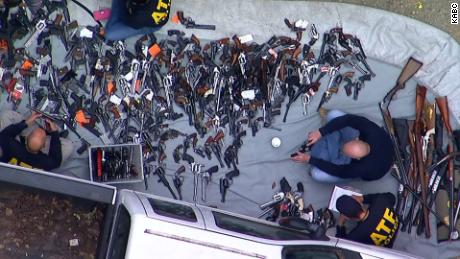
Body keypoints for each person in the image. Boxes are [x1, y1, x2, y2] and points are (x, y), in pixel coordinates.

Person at [291, 110, 394, 182]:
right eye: (345, 146)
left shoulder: (362, 168)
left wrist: (309, 159)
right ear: (357, 139)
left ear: (357, 158)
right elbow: (350, 119)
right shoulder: (372, 131)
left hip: (370, 170)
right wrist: (321, 132)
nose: (340, 148)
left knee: (316, 174)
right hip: (384, 144)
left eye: (344, 152)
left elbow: (337, 170)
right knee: (333, 114)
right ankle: (333, 133)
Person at [0, 110, 74, 171]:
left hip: (10, 156)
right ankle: (49, 135)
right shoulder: (45, 162)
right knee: (68, 146)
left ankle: (36, 131)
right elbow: (56, 161)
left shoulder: (11, 146)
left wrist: (26, 122)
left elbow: (5, 134)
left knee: (6, 115)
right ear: (44, 146)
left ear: (26, 139)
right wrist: (54, 133)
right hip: (33, 160)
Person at [105, 0, 171, 41]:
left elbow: (124, 17)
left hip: (150, 25)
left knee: (109, 33)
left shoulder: (140, 17)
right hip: (156, 16)